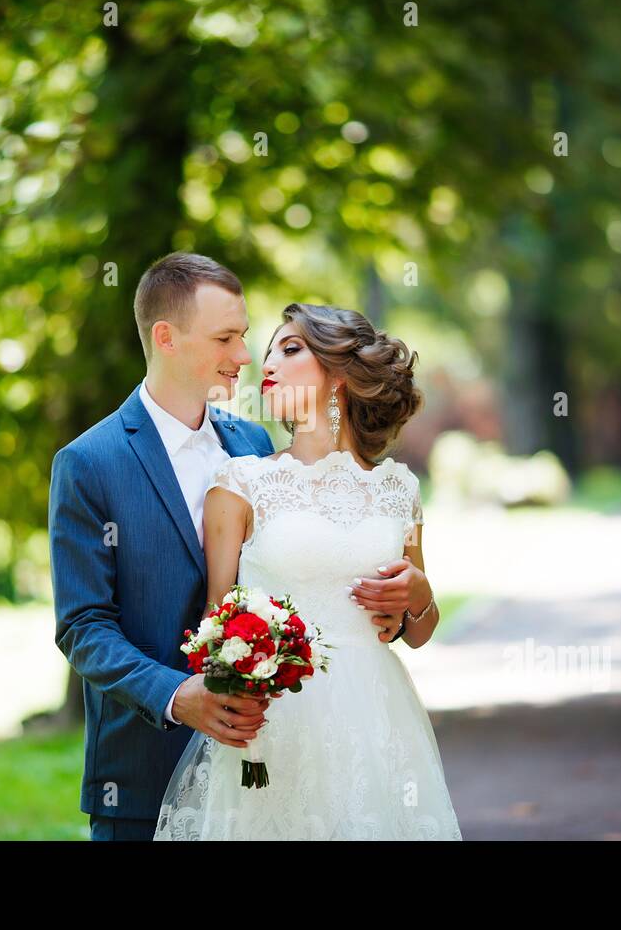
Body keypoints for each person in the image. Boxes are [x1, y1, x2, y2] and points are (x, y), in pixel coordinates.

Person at [48, 254, 435, 841]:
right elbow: (83, 625)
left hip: (283, 747)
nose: (247, 357)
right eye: (227, 338)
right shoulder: (89, 464)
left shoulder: (251, 446)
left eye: (248, 337)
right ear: (166, 337)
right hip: (144, 767)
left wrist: (412, 600)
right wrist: (179, 695)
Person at [153, 303, 462, 840]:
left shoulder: (399, 491)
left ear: (339, 374)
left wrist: (420, 592)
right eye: (268, 349)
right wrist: (232, 682)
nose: (266, 361)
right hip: (274, 724)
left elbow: (418, 630)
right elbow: (215, 618)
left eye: (289, 348)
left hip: (377, 720)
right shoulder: (240, 483)